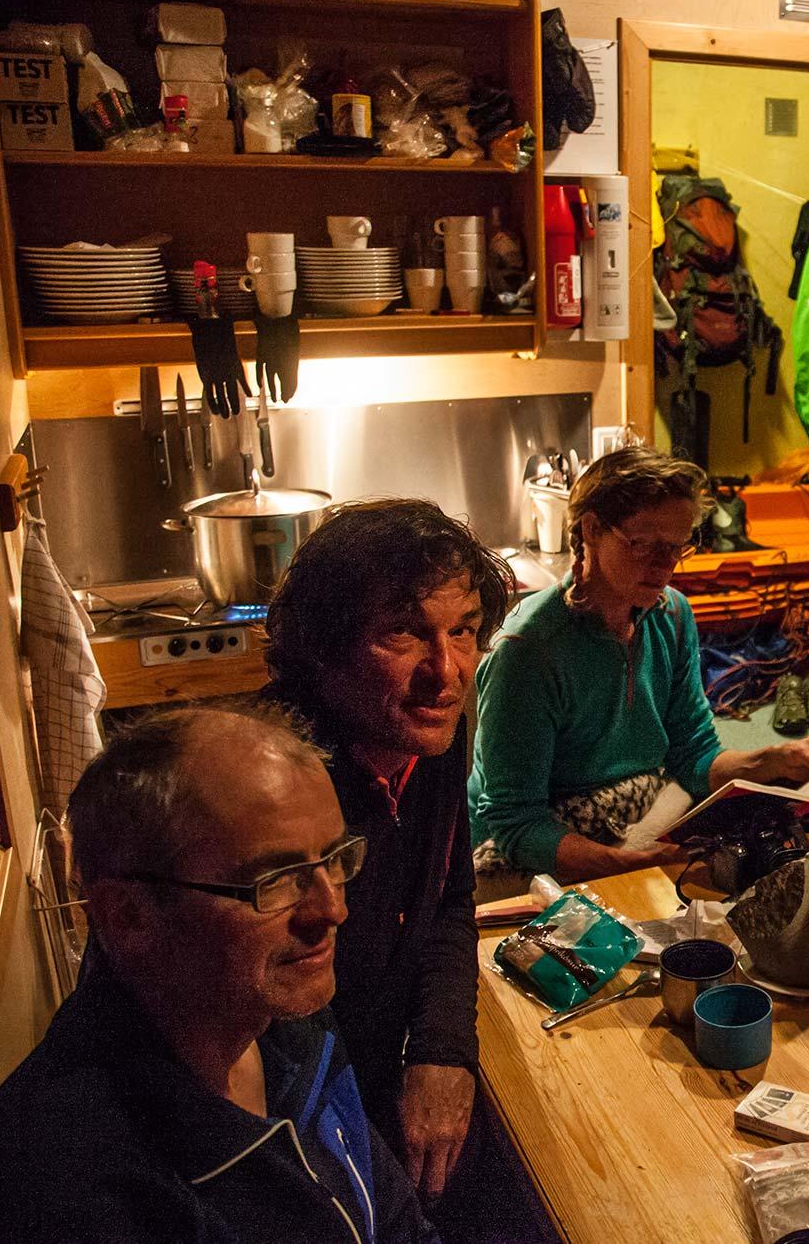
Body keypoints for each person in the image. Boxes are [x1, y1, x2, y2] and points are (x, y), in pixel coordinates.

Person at [0, 706, 435, 1243]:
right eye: (275, 880)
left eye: (334, 860)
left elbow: (398, 1223)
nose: (332, 912)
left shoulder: (284, 1017)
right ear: (129, 915)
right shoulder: (71, 1198)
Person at [261, 498, 510, 1204]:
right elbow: (279, 1032)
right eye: (405, 633)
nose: (448, 670)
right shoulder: (278, 789)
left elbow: (450, 899)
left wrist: (442, 1048)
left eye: (463, 631)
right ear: (324, 645)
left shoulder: (425, 733)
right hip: (310, 1111)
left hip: (394, 1057)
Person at [470, 446, 809, 883]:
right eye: (643, 545)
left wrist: (772, 759)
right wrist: (628, 868)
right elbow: (516, 823)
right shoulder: (528, 650)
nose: (665, 566)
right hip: (541, 841)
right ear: (591, 529)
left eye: (676, 547)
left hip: (633, 810)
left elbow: (694, 753)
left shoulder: (671, 614)